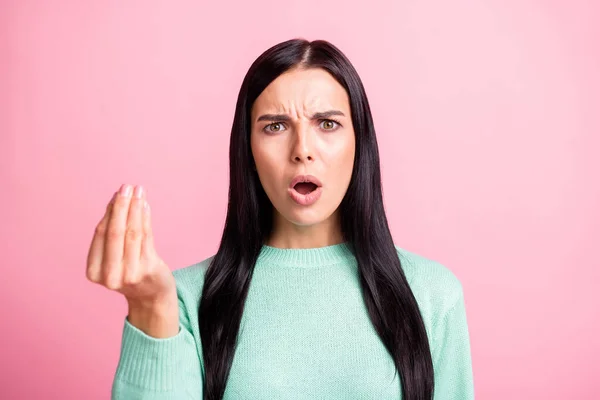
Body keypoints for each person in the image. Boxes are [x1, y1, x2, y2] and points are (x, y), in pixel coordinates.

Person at [86, 38, 474, 400]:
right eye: (275, 126)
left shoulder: (432, 295)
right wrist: (151, 307)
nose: (302, 150)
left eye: (327, 123)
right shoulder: (185, 299)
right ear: (248, 150)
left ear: (360, 144)